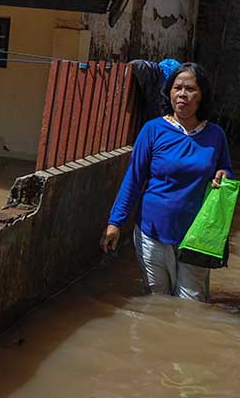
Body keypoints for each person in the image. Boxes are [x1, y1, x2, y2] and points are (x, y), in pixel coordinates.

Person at [100, 62, 233, 301]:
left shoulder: (215, 135)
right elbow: (133, 179)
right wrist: (115, 223)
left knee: (192, 303)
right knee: (157, 299)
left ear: (202, 95)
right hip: (152, 229)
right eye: (177, 88)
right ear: (169, 92)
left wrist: (223, 175)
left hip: (197, 234)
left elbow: (226, 171)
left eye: (190, 89)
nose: (182, 94)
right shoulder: (153, 130)